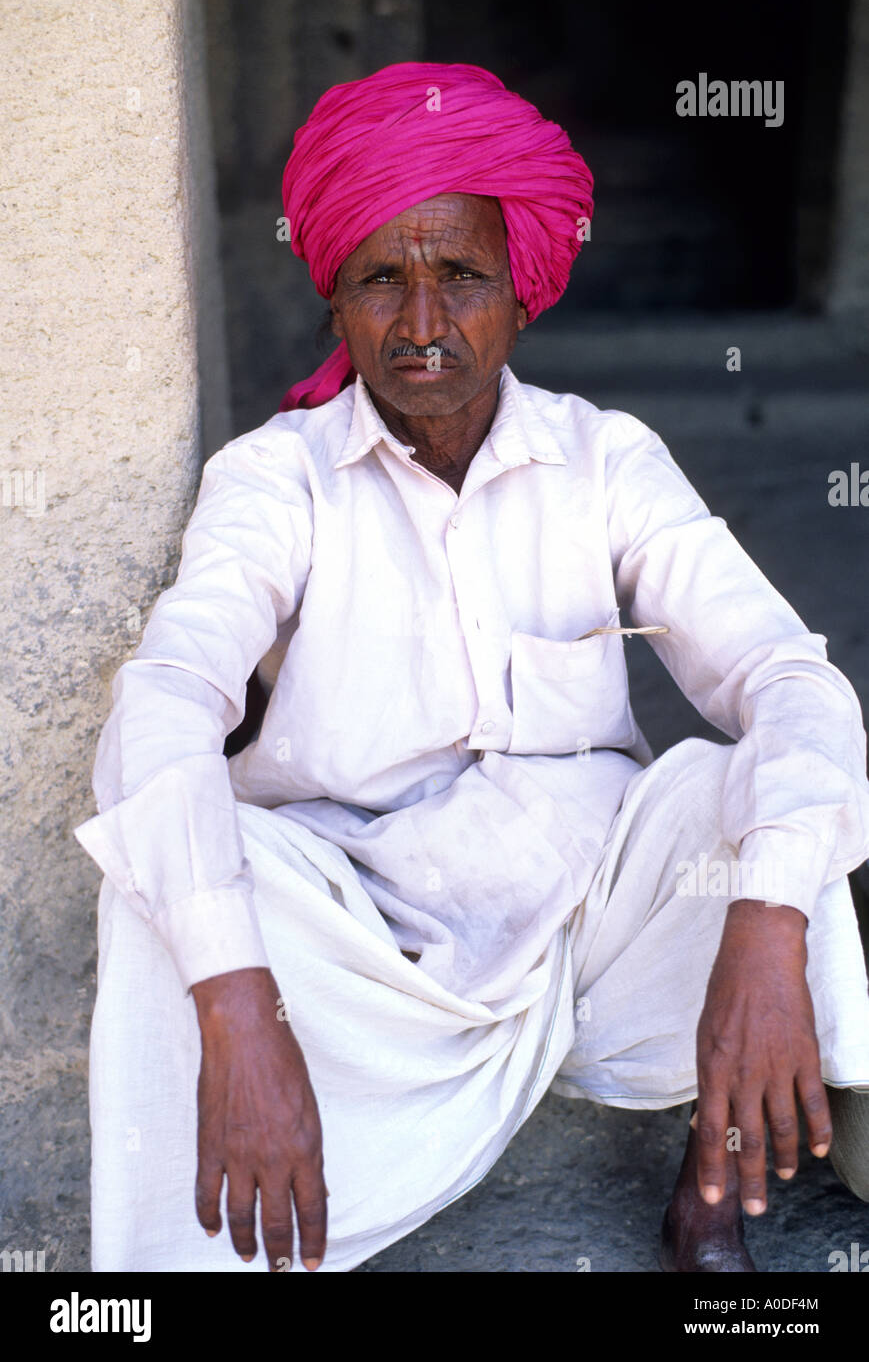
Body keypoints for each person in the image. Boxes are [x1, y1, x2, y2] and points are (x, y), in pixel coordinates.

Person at [75, 62, 869, 1274]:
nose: (423, 324)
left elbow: (785, 672)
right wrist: (237, 1003)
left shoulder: (603, 458)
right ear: (334, 297)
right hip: (359, 933)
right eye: (381, 279)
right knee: (155, 882)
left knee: (762, 787)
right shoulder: (273, 477)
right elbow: (168, 695)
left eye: (461, 278)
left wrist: (763, 924)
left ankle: (715, 1186)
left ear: (521, 296)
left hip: (584, 920)